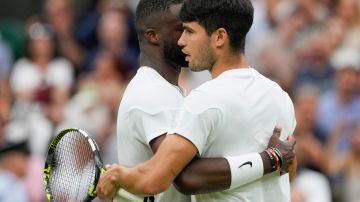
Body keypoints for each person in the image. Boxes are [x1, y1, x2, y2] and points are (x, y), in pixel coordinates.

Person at [97, 0, 296, 201]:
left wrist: (118, 175)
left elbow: (173, 176)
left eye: (190, 31)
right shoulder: (280, 97)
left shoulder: (203, 100)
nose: (183, 41)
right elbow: (287, 172)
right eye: (181, 30)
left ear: (219, 37)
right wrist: (272, 160)